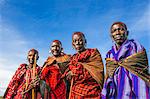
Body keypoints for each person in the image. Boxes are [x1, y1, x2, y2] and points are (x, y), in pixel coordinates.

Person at [101, 22, 150, 99]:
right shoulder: (110, 54)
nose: (118, 32)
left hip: (134, 91)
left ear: (127, 33)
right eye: (114, 31)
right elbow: (109, 76)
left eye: (121, 29)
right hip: (116, 91)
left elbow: (141, 74)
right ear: (111, 36)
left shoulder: (136, 48)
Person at [65, 32, 104, 99]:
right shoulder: (73, 58)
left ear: (85, 41)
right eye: (75, 41)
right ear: (73, 44)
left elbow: (97, 72)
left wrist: (74, 72)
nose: (77, 43)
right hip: (76, 92)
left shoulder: (93, 53)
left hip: (92, 90)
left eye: (80, 40)